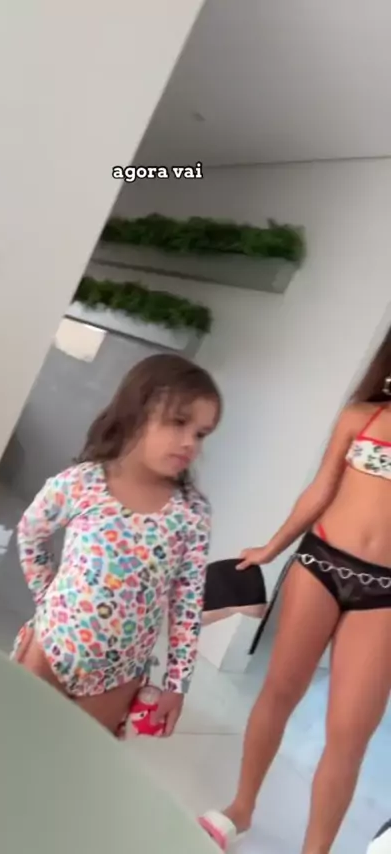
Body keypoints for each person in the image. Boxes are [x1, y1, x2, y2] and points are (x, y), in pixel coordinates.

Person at [200, 325, 391, 853]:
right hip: (320, 562)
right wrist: (272, 546)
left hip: (385, 591)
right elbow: (322, 488)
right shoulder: (360, 416)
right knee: (280, 691)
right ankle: (241, 809)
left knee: (350, 732)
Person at [11, 353, 221, 736]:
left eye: (201, 433)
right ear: (136, 413)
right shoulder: (82, 483)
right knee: (15, 738)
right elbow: (31, 533)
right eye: (178, 422)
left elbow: (187, 602)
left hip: (117, 676)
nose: (190, 442)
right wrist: (47, 596)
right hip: (51, 647)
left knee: (81, 756)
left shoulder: (191, 512)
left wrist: (177, 684)